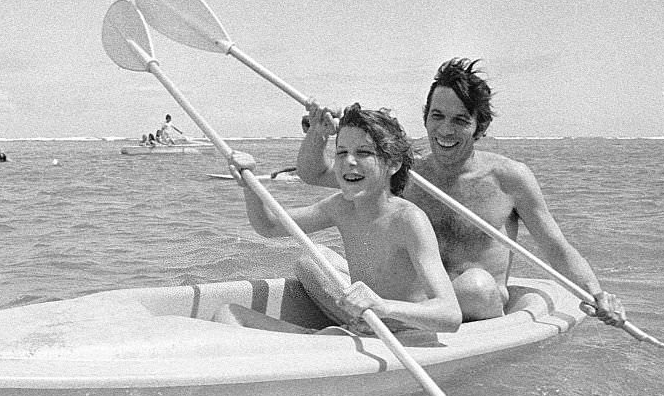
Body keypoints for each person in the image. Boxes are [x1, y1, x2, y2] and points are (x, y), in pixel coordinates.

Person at [296, 58, 625, 326]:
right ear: (425, 117)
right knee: (314, 261)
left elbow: (556, 248)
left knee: (474, 286)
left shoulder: (509, 178)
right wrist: (319, 135)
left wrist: (597, 294)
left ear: (479, 126)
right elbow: (316, 174)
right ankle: (371, 321)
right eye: (437, 116)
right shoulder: (409, 173)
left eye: (460, 120)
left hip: (478, 303)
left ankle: (377, 321)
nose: (445, 129)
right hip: (421, 304)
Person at [218, 104, 462, 338]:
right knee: (227, 313)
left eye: (364, 152)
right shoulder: (341, 207)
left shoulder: (408, 220)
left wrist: (383, 307)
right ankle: (314, 337)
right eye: (342, 152)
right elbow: (269, 225)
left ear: (394, 164)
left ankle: (317, 339)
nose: (349, 161)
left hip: (405, 337)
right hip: (360, 330)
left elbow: (449, 315)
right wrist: (249, 184)